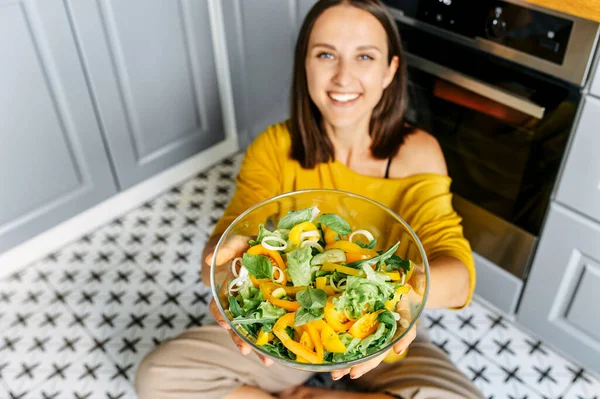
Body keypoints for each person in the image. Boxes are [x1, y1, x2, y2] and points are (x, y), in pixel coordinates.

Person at [135, 0, 482, 398]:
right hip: (284, 333)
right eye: (326, 54)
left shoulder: (417, 153)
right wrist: (226, 264)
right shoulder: (275, 146)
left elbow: (458, 275)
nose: (343, 76)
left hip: (380, 332)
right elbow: (229, 241)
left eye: (364, 56)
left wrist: (397, 296)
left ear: (390, 70)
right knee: (158, 377)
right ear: (305, 64)